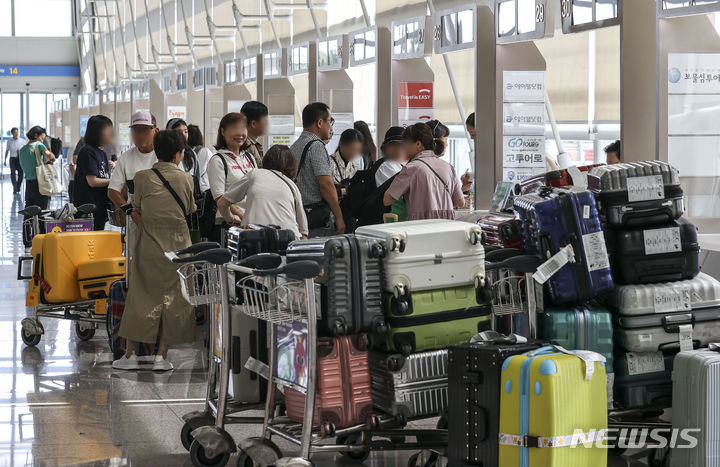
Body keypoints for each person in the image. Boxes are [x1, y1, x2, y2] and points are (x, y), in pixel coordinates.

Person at [113, 130, 196, 371]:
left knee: (141, 296)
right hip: (179, 245)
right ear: (179, 155)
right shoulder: (186, 179)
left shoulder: (142, 177)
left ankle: (129, 355)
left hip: (149, 242)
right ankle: (162, 356)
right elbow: (189, 208)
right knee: (174, 300)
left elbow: (136, 205)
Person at [217, 145, 308, 240]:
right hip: (288, 240)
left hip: (256, 238)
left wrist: (231, 220)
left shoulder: (255, 174)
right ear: (292, 166)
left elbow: (222, 203)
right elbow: (304, 232)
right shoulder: (292, 186)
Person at [384, 123, 464, 220]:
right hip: (446, 225)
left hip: (421, 226)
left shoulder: (411, 168)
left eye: (406, 143)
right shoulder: (448, 167)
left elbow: (387, 200)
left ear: (418, 144)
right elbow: (460, 202)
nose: (404, 147)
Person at [290, 102, 344, 237]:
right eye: (330, 121)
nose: (331, 127)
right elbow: (326, 184)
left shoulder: (295, 145)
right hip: (316, 218)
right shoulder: (316, 146)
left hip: (299, 215)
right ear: (320, 123)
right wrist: (339, 217)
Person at [108, 111, 158, 248]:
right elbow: (112, 191)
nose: (139, 135)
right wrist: (130, 211)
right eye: (135, 130)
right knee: (134, 259)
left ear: (156, 131)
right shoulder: (126, 157)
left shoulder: (163, 155)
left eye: (144, 130)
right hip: (134, 219)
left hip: (160, 218)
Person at [206, 112, 256, 240]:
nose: (240, 133)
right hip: (229, 223)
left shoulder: (249, 158)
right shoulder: (218, 160)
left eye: (243, 128)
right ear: (223, 131)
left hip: (251, 223)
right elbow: (220, 198)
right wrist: (241, 218)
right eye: (234, 129)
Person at [73, 116, 114, 230]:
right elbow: (92, 181)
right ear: (98, 132)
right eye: (108, 130)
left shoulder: (102, 152)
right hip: (88, 210)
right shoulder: (87, 151)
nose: (111, 133)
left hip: (99, 208)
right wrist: (115, 181)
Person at [18, 126, 56, 243]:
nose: (42, 140)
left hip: (29, 184)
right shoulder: (39, 145)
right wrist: (51, 156)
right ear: (36, 135)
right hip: (40, 183)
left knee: (29, 211)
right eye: (42, 137)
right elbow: (50, 156)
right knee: (41, 211)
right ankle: (41, 239)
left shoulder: (22, 150)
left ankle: (27, 238)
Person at [167, 118, 201, 195]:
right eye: (179, 132)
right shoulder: (164, 153)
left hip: (188, 198)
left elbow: (197, 179)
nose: (183, 135)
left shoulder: (191, 154)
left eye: (186, 131)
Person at [241, 101, 269, 166]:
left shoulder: (251, 144)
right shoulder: (246, 146)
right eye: (265, 120)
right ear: (253, 124)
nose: (267, 124)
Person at [187, 124, 212, 192]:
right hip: (201, 188)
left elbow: (197, 172)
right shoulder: (204, 151)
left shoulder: (202, 151)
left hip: (198, 188)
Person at [4, 127, 26, 194]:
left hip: (20, 159)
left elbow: (26, 150)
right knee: (12, 174)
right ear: (12, 133)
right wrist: (5, 160)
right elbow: (7, 151)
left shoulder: (22, 141)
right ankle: (15, 188)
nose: (16, 134)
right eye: (15, 132)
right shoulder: (9, 141)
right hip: (12, 159)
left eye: (17, 132)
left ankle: (18, 187)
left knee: (21, 174)